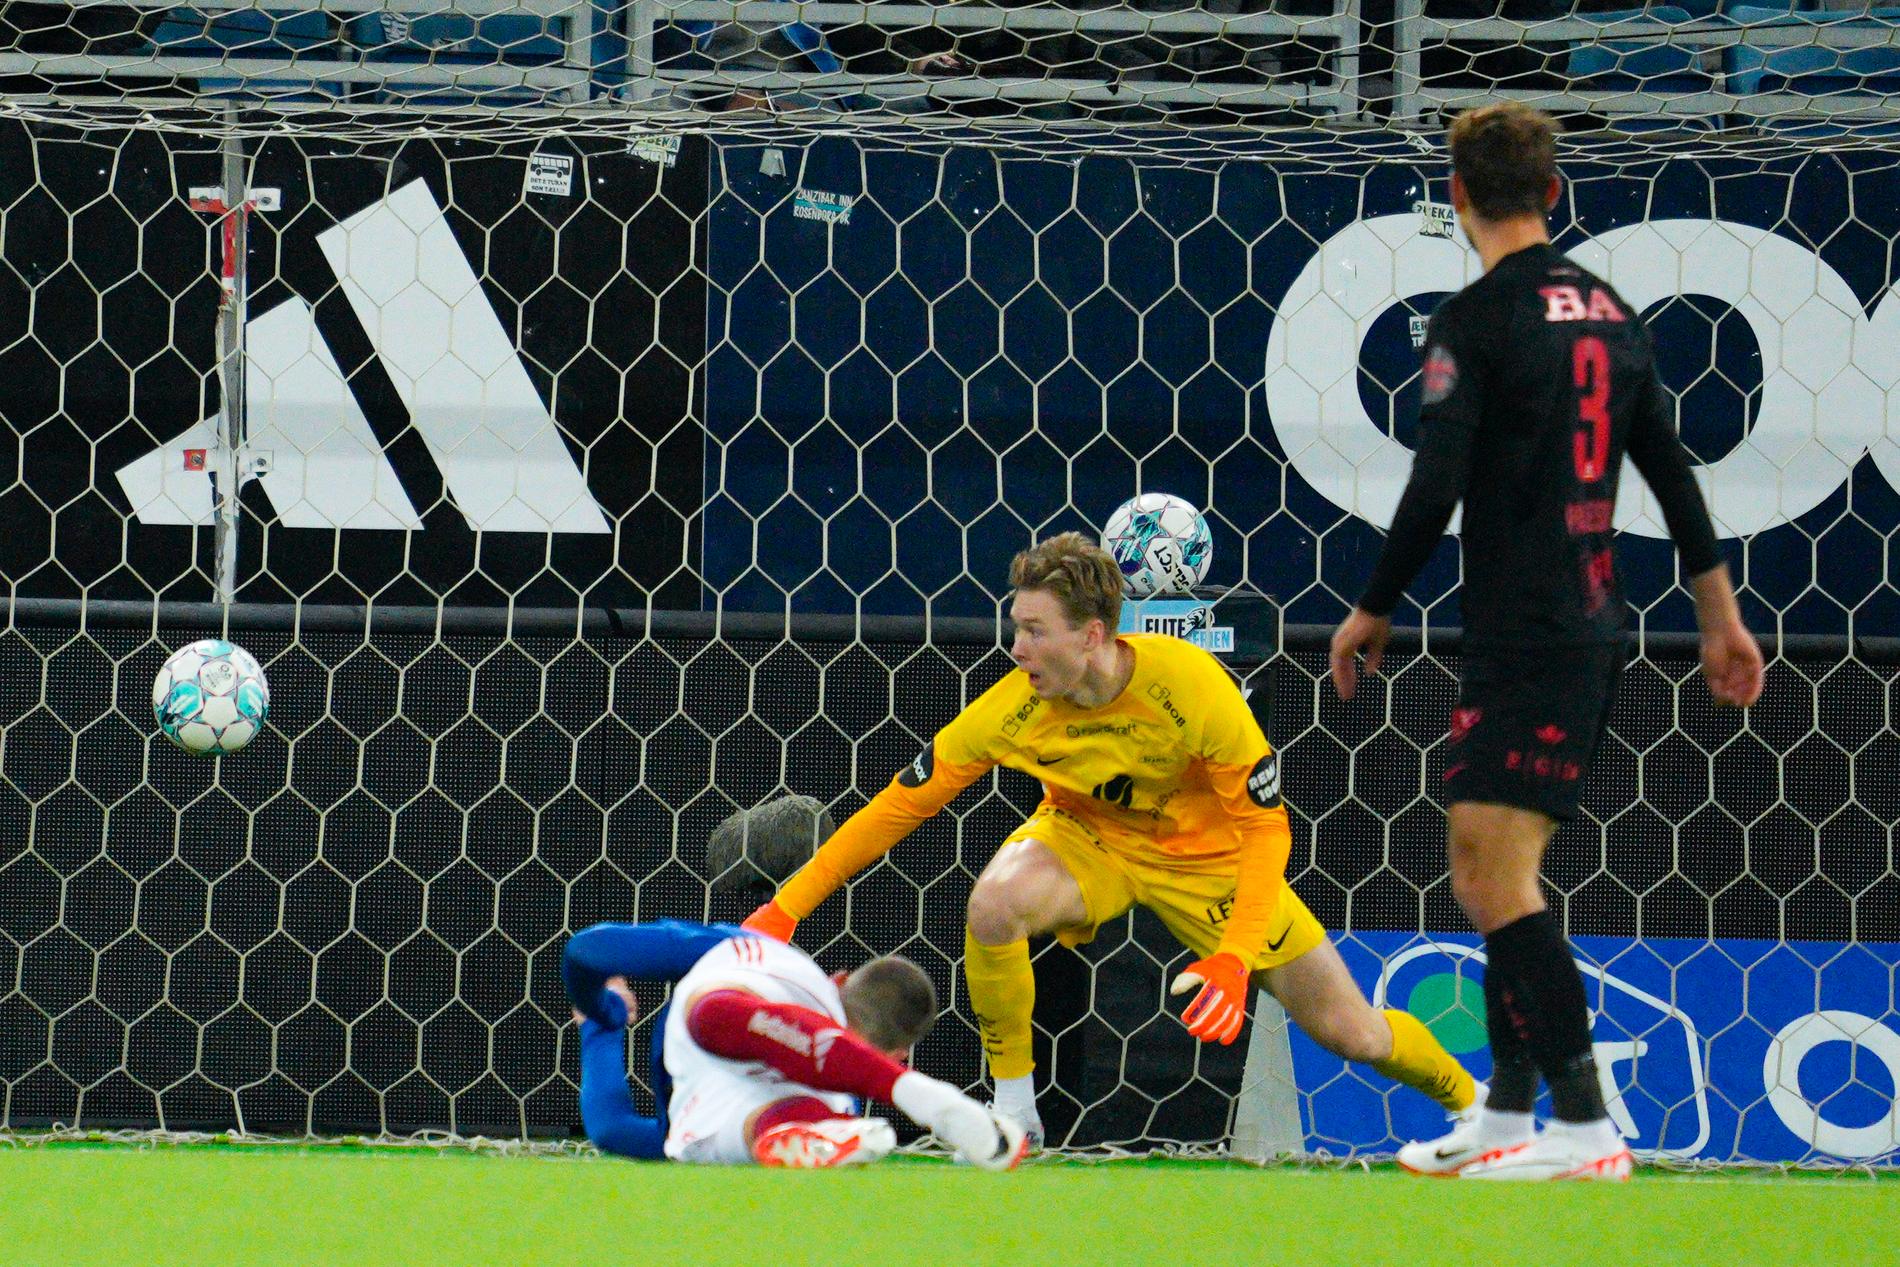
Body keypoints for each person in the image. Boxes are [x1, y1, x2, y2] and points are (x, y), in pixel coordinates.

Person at [1328, 102, 1765, 1181]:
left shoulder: (1474, 321)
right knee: (1493, 865)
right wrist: (1718, 611)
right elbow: (1667, 463)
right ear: (1555, 191)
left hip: (1530, 625)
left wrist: (1372, 603)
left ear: (1458, 195)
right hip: (1586, 614)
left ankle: (1584, 1124)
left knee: (1489, 877)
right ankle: (1506, 1112)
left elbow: (1435, 483)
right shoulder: (1611, 310)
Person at [742, 532, 1480, 1147]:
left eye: (1034, 629)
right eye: (1015, 626)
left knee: (1353, 1032)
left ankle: (1473, 1106)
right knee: (994, 905)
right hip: (1086, 841)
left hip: (1210, 865)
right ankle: (1016, 1110)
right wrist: (786, 907)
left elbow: (1264, 826)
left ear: (1092, 634)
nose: (1017, 645)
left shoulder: (1191, 686)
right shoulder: (1013, 708)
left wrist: (1235, 954)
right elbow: (896, 809)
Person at [562, 919, 1026, 1169]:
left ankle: (780, 1139)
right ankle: (912, 1093)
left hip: (712, 1040)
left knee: (760, 1117)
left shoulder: (769, 956)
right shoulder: (839, 1100)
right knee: (783, 1106)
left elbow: (589, 949)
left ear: (838, 980)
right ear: (895, 1055)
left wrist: (601, 1018)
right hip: (737, 1030)